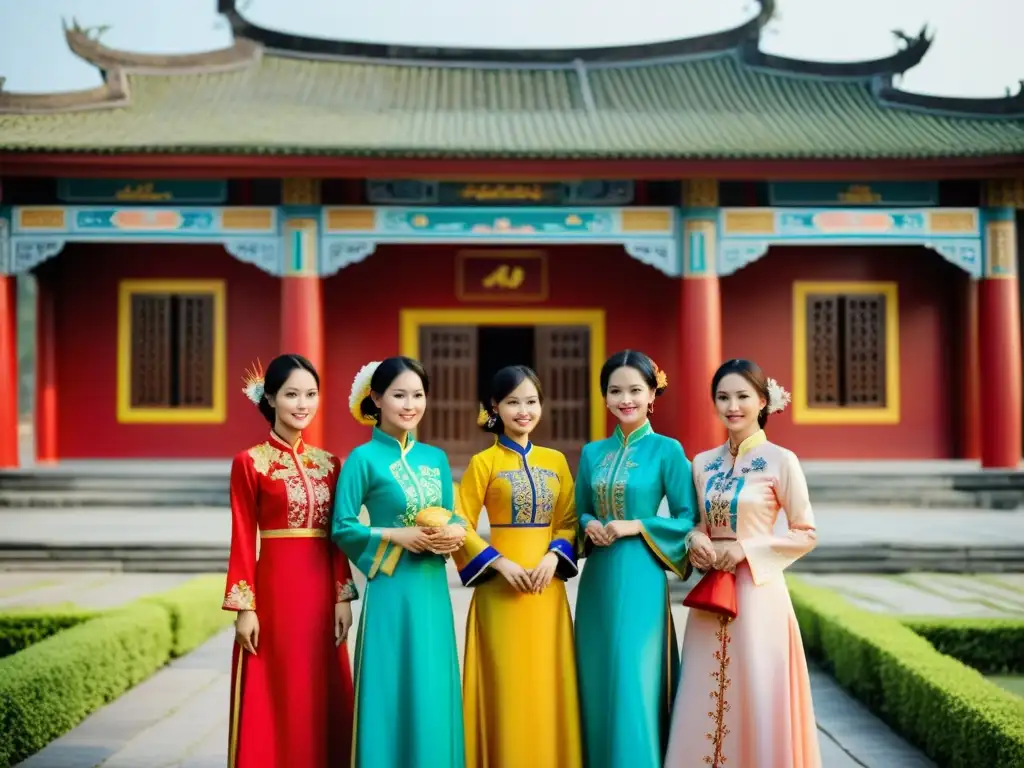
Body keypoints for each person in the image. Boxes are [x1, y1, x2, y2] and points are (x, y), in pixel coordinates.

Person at [665, 358, 821, 768]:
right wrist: (697, 539)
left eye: (742, 396)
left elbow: (805, 532)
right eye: (723, 397)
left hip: (759, 595)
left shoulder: (781, 460)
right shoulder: (702, 463)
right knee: (705, 687)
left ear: (762, 401)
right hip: (712, 592)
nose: (732, 406)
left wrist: (747, 550)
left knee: (756, 689)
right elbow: (698, 522)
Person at [331, 356, 468, 768]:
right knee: (391, 684)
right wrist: (395, 535)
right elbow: (342, 526)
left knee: (431, 683)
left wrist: (457, 531)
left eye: (418, 395)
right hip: (391, 587)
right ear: (376, 398)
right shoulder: (362, 459)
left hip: (430, 588)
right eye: (399, 395)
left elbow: (451, 512)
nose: (410, 405)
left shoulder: (436, 459)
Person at [223, 354, 356, 768]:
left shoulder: (330, 464)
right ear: (271, 399)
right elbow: (243, 536)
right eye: (292, 394)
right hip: (276, 593)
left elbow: (337, 536)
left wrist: (342, 596)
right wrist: (245, 607)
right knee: (278, 688)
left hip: (321, 593)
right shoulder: (250, 462)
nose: (302, 404)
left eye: (311, 394)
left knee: (320, 687)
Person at [574, 350, 698, 768]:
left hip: (641, 574)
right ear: (604, 397)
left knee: (633, 677)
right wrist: (590, 523)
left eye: (634, 390)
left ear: (651, 395)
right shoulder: (592, 453)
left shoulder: (667, 450)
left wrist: (636, 525)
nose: (624, 398)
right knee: (597, 674)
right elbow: (580, 511)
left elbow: (687, 519)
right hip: (599, 577)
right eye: (615, 390)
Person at [454, 365, 582, 768]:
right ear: (495, 407)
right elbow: (459, 520)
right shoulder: (483, 463)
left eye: (531, 401)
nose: (523, 410)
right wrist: (499, 562)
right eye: (512, 402)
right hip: (499, 592)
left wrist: (552, 556)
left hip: (548, 590)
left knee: (547, 683)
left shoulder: (557, 461)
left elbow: (571, 520)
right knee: (505, 685)